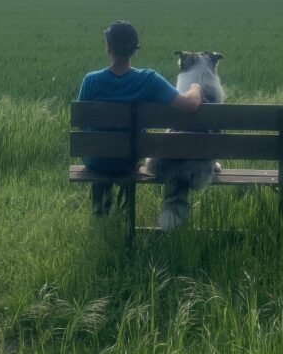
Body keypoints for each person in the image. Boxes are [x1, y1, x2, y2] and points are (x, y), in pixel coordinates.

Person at [78, 20, 203, 214]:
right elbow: (190, 104)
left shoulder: (91, 80)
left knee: (103, 155)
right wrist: (196, 87)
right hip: (130, 160)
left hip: (97, 160)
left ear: (108, 47)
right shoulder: (148, 79)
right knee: (125, 153)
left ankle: (100, 212)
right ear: (134, 50)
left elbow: (81, 125)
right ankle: (126, 213)